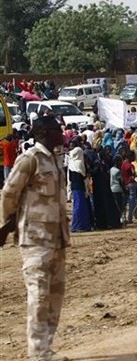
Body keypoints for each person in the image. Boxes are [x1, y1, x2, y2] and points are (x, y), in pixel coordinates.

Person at [0, 116, 71, 361]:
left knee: (55, 296)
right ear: (45, 132)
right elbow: (9, 192)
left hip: (57, 238)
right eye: (57, 130)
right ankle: (38, 353)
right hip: (35, 239)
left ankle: (46, 348)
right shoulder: (30, 159)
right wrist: (6, 224)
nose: (62, 134)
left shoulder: (53, 158)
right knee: (39, 295)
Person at [110, 155, 125, 224]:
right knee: (119, 206)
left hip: (112, 189)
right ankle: (119, 220)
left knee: (114, 206)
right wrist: (124, 189)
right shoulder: (118, 171)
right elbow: (120, 181)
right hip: (118, 189)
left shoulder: (111, 169)